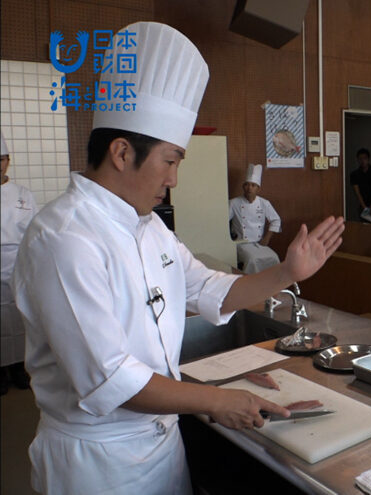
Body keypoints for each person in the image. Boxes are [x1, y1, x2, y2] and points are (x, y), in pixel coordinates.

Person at [12, 22, 345, 494]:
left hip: (162, 447)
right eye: (170, 161)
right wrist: (214, 398)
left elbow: (213, 289)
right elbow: (112, 379)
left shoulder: (150, 229)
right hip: (97, 464)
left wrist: (289, 271)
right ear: (122, 153)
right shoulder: (63, 238)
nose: (174, 180)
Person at [1, 131, 37, 395]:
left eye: (1, 159)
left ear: (8, 161)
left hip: (17, 265)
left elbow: (34, 231)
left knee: (19, 317)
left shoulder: (23, 193)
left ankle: (18, 367)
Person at [229, 163, 282, 274]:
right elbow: (223, 221)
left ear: (258, 188)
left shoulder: (264, 203)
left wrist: (267, 238)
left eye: (253, 185)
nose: (249, 188)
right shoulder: (234, 203)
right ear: (243, 187)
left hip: (259, 243)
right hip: (241, 244)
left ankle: (272, 287)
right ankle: (250, 286)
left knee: (274, 257)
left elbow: (276, 220)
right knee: (252, 260)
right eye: (247, 185)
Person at [350, 148, 371, 220]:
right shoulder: (354, 174)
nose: (362, 161)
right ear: (357, 160)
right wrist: (364, 207)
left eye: (364, 158)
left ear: (368, 159)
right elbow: (357, 192)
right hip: (363, 205)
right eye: (360, 159)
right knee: (364, 227)